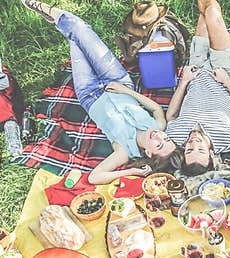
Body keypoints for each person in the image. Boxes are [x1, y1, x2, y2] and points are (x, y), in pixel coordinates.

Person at [21, 1, 182, 185]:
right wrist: (124, 90)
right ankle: (51, 12)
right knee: (80, 30)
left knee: (76, 41)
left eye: (160, 144)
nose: (160, 136)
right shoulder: (158, 126)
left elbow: (94, 177)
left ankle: (59, 20)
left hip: (89, 93)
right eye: (166, 138)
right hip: (119, 81)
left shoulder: (124, 151)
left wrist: (132, 171)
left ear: (148, 153)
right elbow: (155, 108)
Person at [165, 0, 230, 175]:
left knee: (204, 15)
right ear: (212, 154)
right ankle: (223, 39)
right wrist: (228, 82)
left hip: (195, 70)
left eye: (189, 151)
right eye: (201, 150)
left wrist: (184, 82)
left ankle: (224, 38)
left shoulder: (176, 137)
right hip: (222, 74)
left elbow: (171, 115)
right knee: (212, 12)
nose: (194, 144)